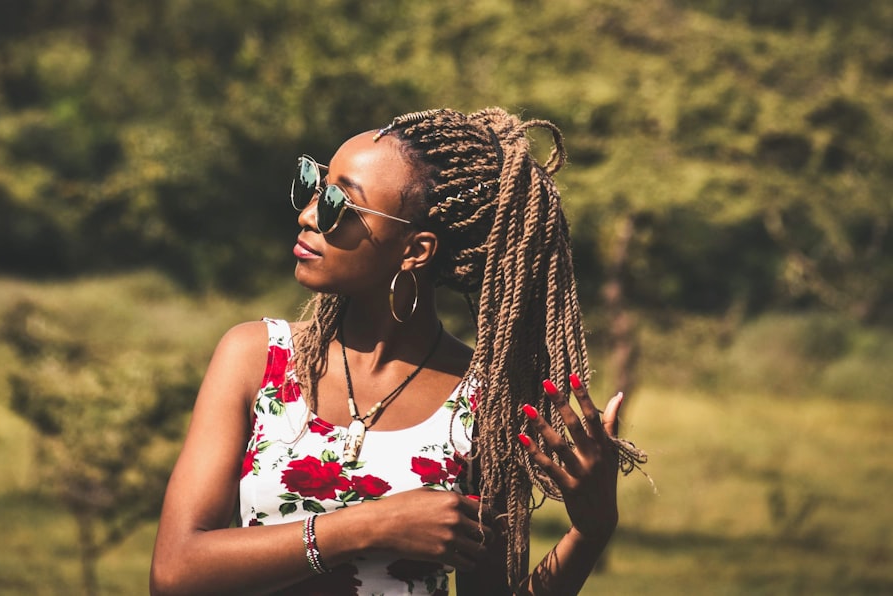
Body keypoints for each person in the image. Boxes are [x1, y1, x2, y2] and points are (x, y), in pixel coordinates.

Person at [149, 107, 646, 595]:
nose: (307, 215)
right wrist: (366, 526)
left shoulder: (482, 405)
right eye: (316, 187)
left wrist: (590, 532)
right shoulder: (256, 358)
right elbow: (174, 573)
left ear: (415, 251)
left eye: (340, 205)